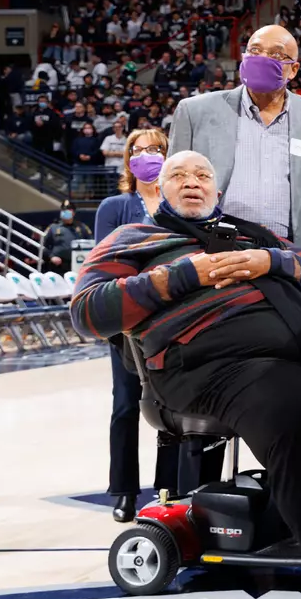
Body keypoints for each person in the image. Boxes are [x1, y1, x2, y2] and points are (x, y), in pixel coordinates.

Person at [69, 151, 301, 599]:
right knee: (290, 400)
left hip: (300, 341)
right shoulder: (135, 239)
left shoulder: (245, 234)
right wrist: (185, 275)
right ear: (159, 190)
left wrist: (267, 260)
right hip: (206, 365)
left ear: (217, 191)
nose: (192, 182)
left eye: (203, 174)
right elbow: (87, 313)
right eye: (178, 175)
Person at [169, 24, 301, 275]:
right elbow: (173, 188)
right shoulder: (194, 112)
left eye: (276, 54)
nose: (262, 59)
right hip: (213, 249)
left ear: (293, 70)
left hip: (290, 256)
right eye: (255, 51)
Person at [95, 128, 176, 523]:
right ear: (128, 160)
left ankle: (168, 490)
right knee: (125, 406)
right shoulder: (114, 206)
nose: (147, 155)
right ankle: (124, 491)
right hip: (127, 323)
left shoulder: (178, 204)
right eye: (139, 150)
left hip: (172, 319)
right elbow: (102, 267)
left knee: (171, 407)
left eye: (156, 149)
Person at [42, 201, 91, 271]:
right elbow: (44, 246)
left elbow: (91, 243)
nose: (65, 212)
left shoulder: (82, 227)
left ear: (73, 213)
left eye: (68, 210)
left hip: (78, 265)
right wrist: (51, 257)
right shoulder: (53, 227)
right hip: (58, 266)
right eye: (63, 210)